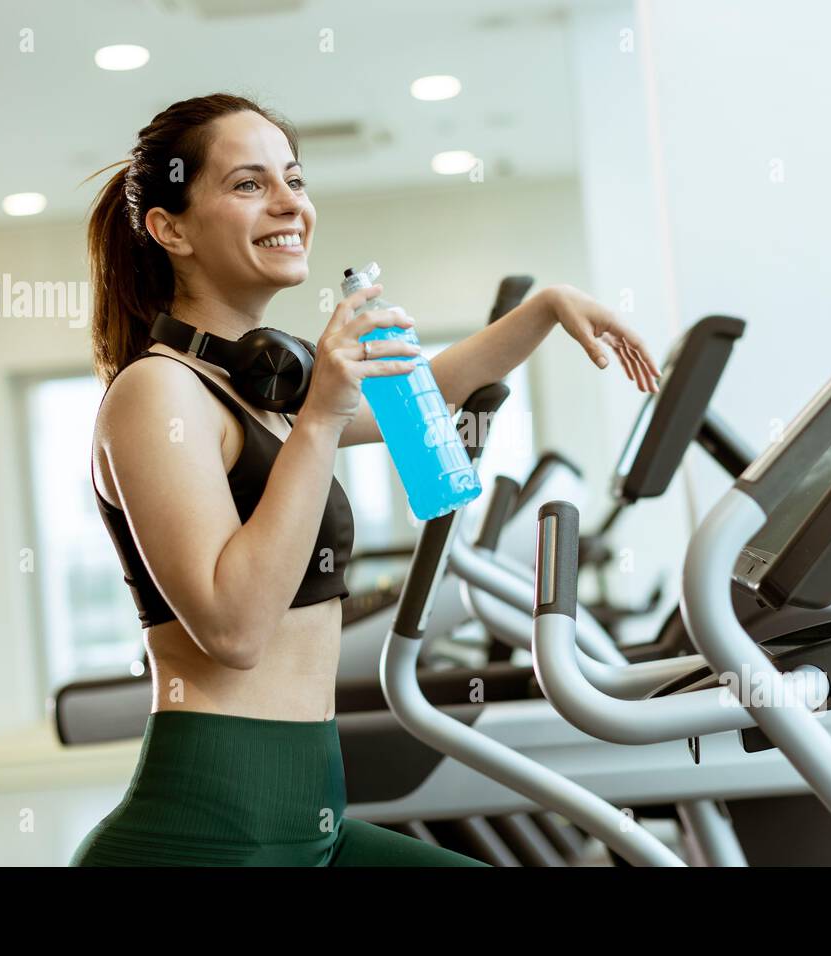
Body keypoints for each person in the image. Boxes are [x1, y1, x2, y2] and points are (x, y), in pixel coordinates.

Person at [70, 92, 661, 866]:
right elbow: (233, 629)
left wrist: (545, 309)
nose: (290, 203)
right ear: (169, 228)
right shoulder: (157, 396)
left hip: (309, 823)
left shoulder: (260, 389)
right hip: (208, 836)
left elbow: (429, 387)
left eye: (295, 179)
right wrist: (319, 415)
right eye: (249, 185)